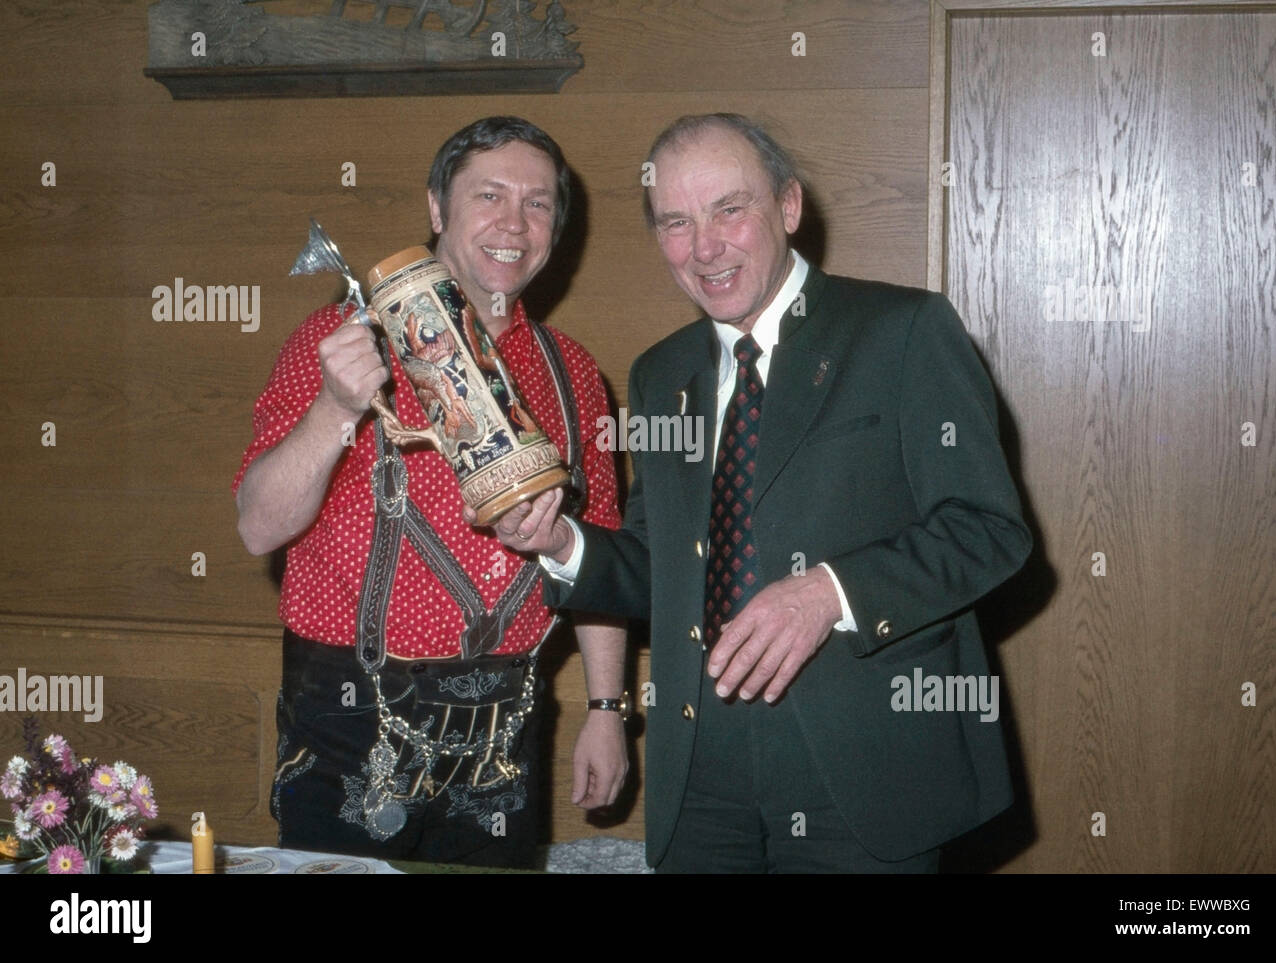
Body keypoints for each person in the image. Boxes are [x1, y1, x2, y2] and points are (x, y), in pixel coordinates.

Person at [484, 113, 1032, 872]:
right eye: (676, 221)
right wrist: (561, 544)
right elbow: (658, 560)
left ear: (789, 207)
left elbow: (988, 530)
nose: (703, 246)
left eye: (728, 210)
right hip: (700, 775)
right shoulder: (660, 374)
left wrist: (827, 593)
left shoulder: (903, 331)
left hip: (865, 770)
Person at [233, 116, 628, 869]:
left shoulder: (575, 372)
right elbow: (257, 526)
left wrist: (607, 710)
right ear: (438, 208)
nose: (514, 223)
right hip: (346, 716)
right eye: (489, 196)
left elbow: (600, 557)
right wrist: (334, 408)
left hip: (505, 722)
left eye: (538, 204)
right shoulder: (338, 341)